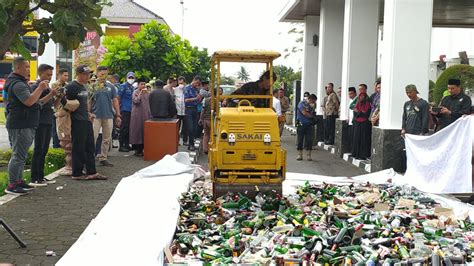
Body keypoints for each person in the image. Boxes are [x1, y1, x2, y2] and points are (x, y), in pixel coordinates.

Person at [4, 57, 54, 194]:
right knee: (18, 155)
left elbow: (36, 103)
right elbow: (29, 101)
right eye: (26, 67)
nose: (28, 69)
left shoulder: (20, 83)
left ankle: (19, 181)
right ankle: (12, 184)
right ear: (18, 68)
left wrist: (50, 95)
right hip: (20, 124)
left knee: (22, 155)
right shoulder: (17, 84)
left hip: (25, 123)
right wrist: (40, 88)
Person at [66, 65, 107, 181]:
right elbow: (66, 103)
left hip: (86, 119)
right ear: (79, 74)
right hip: (77, 120)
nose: (88, 76)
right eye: (86, 74)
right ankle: (77, 173)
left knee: (90, 146)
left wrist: (88, 113)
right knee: (78, 147)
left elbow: (83, 104)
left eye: (89, 74)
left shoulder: (84, 86)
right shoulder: (72, 87)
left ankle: (91, 171)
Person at [30, 64, 60, 186]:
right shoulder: (36, 87)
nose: (50, 77)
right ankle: (34, 177)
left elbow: (54, 105)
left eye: (51, 75)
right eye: (48, 74)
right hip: (39, 121)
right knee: (38, 149)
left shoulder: (47, 88)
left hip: (48, 120)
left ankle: (41, 176)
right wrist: (51, 94)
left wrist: (58, 96)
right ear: (40, 74)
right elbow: (37, 103)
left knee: (44, 150)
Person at [89, 66, 121, 166]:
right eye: (102, 74)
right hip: (96, 115)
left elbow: (115, 100)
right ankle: (90, 157)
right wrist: (88, 112)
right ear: (97, 74)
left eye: (105, 74)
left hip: (108, 115)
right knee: (93, 137)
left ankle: (103, 157)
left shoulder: (111, 87)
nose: (103, 76)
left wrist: (118, 114)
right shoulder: (93, 86)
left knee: (107, 138)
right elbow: (89, 101)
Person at [129, 78, 152, 156]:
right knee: (137, 131)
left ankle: (143, 149)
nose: (143, 86)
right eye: (141, 84)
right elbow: (136, 101)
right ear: (138, 85)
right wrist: (140, 93)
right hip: (137, 115)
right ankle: (137, 150)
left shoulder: (147, 93)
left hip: (146, 115)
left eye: (144, 84)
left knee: (144, 131)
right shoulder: (135, 92)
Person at [352, 84, 372, 160]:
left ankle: (363, 155)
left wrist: (360, 112)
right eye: (360, 96)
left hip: (364, 123)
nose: (361, 97)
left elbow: (366, 113)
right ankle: (356, 154)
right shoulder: (357, 101)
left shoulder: (368, 100)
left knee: (363, 138)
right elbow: (355, 111)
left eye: (362, 89)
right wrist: (360, 112)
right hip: (357, 122)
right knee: (356, 138)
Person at [50, 69, 69, 148]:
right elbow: (54, 98)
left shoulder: (68, 85)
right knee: (56, 131)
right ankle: (56, 147)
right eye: (65, 75)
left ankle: (63, 146)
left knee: (65, 130)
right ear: (59, 75)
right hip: (57, 111)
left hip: (66, 111)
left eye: (67, 75)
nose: (66, 77)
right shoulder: (54, 85)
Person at [183, 76, 202, 151]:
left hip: (195, 109)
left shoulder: (196, 89)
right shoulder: (187, 88)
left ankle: (192, 144)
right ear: (194, 80)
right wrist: (195, 98)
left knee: (195, 128)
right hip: (188, 109)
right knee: (190, 128)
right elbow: (186, 100)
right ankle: (190, 144)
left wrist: (199, 98)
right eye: (197, 83)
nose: (197, 85)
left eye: (198, 84)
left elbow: (198, 101)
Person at [296, 94, 317, 161]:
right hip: (301, 123)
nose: (314, 103)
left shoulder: (312, 105)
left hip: (309, 124)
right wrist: (312, 117)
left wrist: (314, 118)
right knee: (300, 139)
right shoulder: (302, 103)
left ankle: (309, 155)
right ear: (310, 99)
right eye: (313, 101)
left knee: (309, 140)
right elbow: (304, 113)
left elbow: (313, 113)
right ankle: (300, 154)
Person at [118, 71, 135, 152]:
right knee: (123, 127)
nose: (131, 79)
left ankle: (127, 144)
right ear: (126, 78)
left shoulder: (132, 88)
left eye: (132, 78)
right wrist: (118, 109)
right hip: (124, 109)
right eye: (129, 77)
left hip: (131, 110)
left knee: (129, 128)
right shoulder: (123, 86)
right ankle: (121, 145)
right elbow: (118, 98)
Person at [174, 76, 187, 145]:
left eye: (182, 83)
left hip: (185, 112)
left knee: (185, 128)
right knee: (177, 127)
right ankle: (176, 141)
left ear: (184, 82)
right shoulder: (175, 89)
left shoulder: (187, 89)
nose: (181, 84)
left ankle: (185, 141)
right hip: (178, 111)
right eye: (180, 82)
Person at [348, 87, 358, 151]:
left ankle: (353, 150)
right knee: (350, 137)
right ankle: (351, 150)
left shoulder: (357, 100)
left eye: (351, 93)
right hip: (350, 122)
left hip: (355, 121)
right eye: (349, 94)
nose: (350, 95)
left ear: (355, 93)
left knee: (354, 138)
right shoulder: (350, 101)